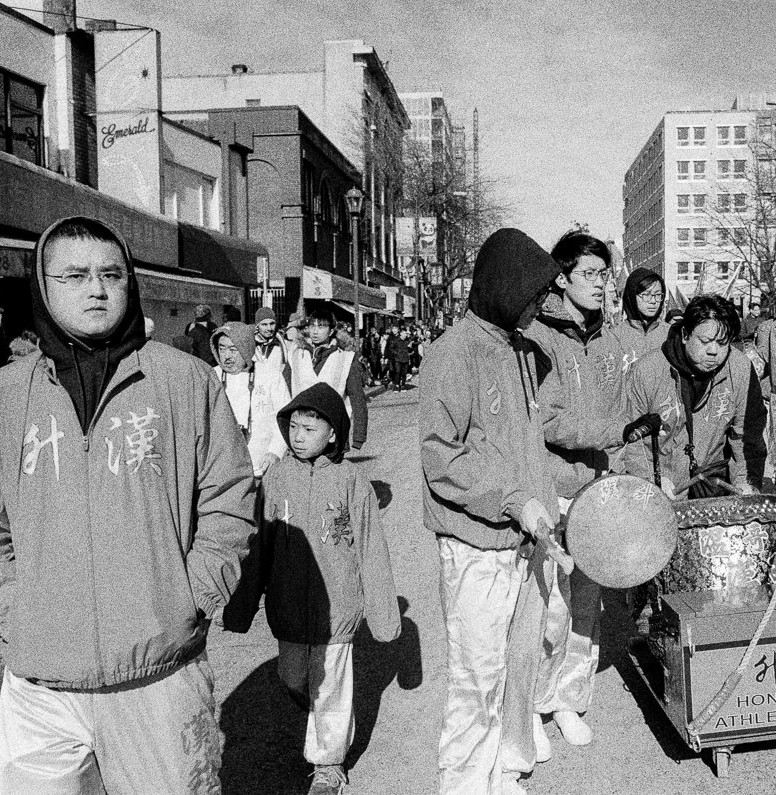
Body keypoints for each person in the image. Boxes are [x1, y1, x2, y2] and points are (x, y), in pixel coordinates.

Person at [0, 216, 256, 792]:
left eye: (110, 274)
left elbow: (230, 497)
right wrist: (12, 611)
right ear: (42, 286)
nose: (96, 288)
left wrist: (193, 594)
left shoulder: (186, 383)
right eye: (73, 275)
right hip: (42, 684)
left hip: (158, 673)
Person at [420, 228, 565, 795]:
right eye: (531, 295)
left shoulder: (519, 348)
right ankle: (461, 785)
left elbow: (527, 441)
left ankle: (500, 769)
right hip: (476, 545)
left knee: (514, 665)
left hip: (524, 540)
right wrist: (512, 500)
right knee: (475, 679)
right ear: (503, 289)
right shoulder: (455, 352)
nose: (539, 306)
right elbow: (440, 455)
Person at [259, 383, 401, 795]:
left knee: (332, 689)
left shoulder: (350, 479)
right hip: (287, 608)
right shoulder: (277, 475)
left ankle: (328, 765)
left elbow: (371, 548)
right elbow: (260, 543)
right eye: (294, 428)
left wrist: (383, 614)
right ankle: (324, 722)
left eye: (309, 429)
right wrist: (242, 600)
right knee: (292, 677)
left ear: (333, 434)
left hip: (337, 609)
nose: (298, 436)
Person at [525, 231, 629, 758]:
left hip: (600, 490)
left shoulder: (610, 338)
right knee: (550, 607)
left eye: (603, 274)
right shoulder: (539, 337)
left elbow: (624, 411)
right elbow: (549, 419)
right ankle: (532, 706)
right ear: (562, 278)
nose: (598, 283)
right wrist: (616, 430)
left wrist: (622, 454)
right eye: (588, 274)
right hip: (554, 489)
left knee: (588, 604)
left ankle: (568, 699)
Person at [622, 294, 766, 499]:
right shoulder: (647, 371)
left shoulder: (740, 368)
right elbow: (631, 439)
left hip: (713, 484)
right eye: (705, 341)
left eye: (723, 343)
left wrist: (745, 481)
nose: (714, 351)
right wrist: (651, 479)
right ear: (685, 335)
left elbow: (747, 435)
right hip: (662, 485)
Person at [211, 321, 290, 477]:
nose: (227, 356)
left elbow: (285, 416)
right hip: (221, 468)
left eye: (233, 349)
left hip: (261, 465)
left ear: (246, 348)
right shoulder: (210, 376)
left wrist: (275, 451)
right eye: (222, 348)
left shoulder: (270, 375)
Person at [288, 309, 368, 452]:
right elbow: (285, 391)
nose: (315, 332)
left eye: (321, 327)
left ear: (331, 331)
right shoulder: (296, 354)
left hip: (333, 430)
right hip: (302, 430)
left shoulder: (345, 358)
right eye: (312, 326)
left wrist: (359, 435)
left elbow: (358, 398)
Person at [615, 266, 669, 365]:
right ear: (631, 296)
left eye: (658, 295)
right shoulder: (615, 336)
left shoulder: (671, 334)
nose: (653, 301)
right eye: (647, 295)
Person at [253, 306, 291, 388]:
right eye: (264, 324)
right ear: (257, 326)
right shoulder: (251, 344)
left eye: (272, 324)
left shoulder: (282, 344)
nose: (269, 328)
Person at [387, 327, 413, 391]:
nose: (405, 335)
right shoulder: (396, 340)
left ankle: (403, 385)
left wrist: (410, 347)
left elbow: (410, 350)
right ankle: (397, 385)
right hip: (398, 359)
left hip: (405, 359)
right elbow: (390, 348)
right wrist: (396, 353)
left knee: (404, 373)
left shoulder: (407, 341)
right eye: (404, 334)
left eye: (406, 334)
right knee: (398, 372)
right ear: (401, 334)